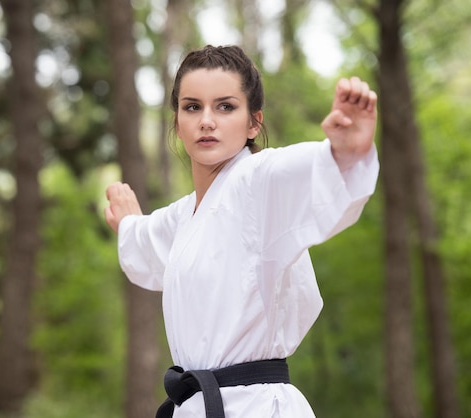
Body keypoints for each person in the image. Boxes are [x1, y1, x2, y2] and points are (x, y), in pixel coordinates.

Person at [104, 45, 379, 418]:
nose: (206, 120)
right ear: (177, 122)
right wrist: (129, 225)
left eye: (225, 106)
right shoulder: (186, 215)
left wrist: (343, 153)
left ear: (254, 122)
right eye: (192, 106)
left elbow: (304, 172)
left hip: (256, 407)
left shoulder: (257, 182)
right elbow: (149, 244)